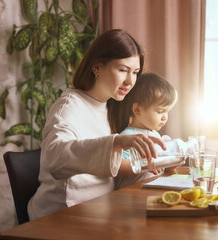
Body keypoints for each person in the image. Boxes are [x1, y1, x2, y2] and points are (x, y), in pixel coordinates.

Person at [28, 29, 166, 220]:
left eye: (135, 72)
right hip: (62, 215)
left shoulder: (110, 106)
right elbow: (53, 156)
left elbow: (113, 170)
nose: (130, 81)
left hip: (101, 209)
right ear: (97, 67)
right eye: (122, 70)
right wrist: (116, 142)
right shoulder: (69, 106)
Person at [112, 72, 178, 189]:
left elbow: (159, 165)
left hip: (150, 190)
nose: (165, 117)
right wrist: (146, 165)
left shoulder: (155, 135)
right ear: (137, 110)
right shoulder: (128, 137)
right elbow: (117, 167)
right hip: (131, 195)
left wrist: (170, 164)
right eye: (160, 111)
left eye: (167, 111)